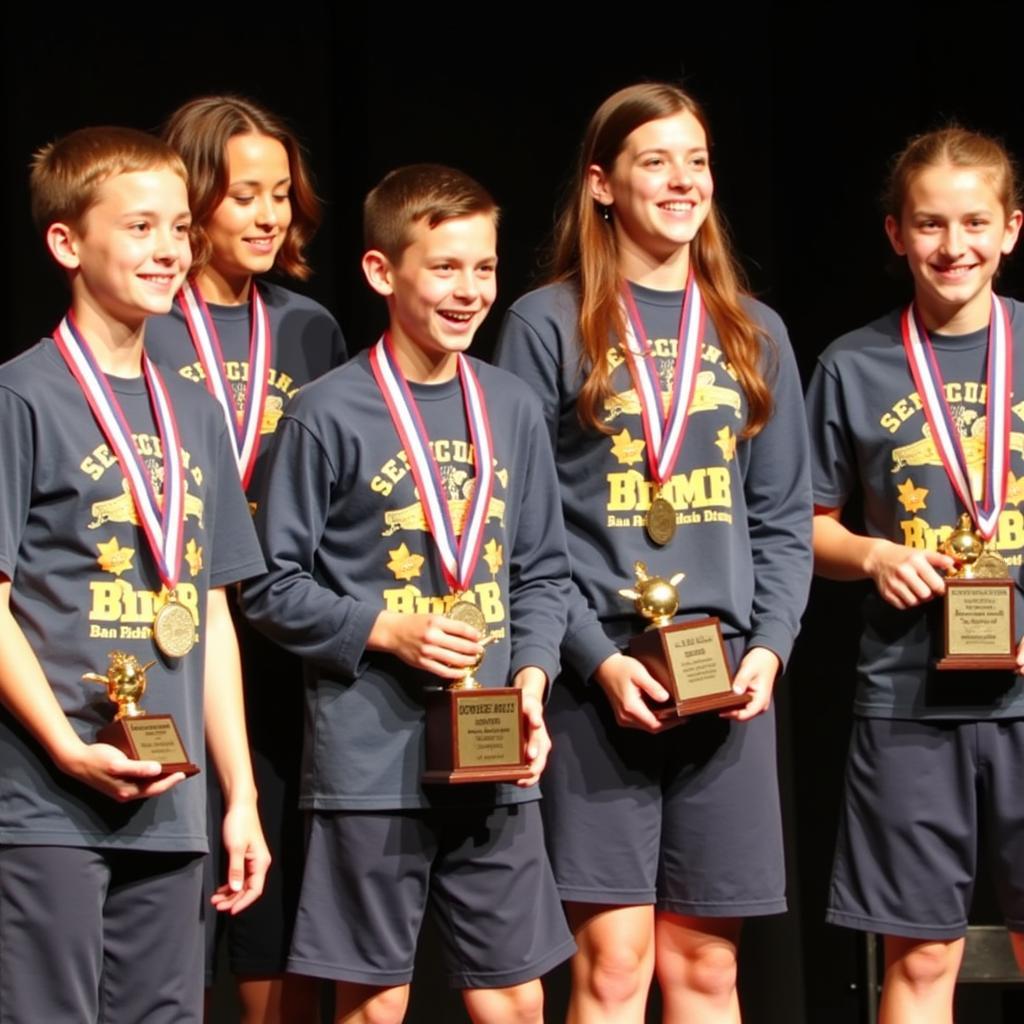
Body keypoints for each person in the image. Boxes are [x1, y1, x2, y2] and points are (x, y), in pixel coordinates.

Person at [495, 83, 811, 1023]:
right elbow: (520, 527)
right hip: (602, 686)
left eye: (697, 161)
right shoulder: (545, 324)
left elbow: (783, 520)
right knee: (617, 965)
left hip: (727, 678)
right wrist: (593, 661)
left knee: (709, 970)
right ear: (602, 184)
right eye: (655, 162)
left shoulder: (755, 330)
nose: (682, 182)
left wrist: (770, 648)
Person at [240, 164, 575, 1024]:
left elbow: (541, 571)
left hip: (497, 755)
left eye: (485, 268)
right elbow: (268, 586)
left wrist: (532, 680)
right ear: (383, 273)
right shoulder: (325, 412)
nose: (470, 292)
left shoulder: (513, 407)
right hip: (369, 765)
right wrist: (387, 629)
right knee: (374, 1003)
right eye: (445, 268)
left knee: (514, 1001)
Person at [0, 126, 269, 1023]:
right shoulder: (21, 397)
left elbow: (214, 614)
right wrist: (67, 746)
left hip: (172, 798)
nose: (170, 250)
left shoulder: (194, 408)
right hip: (47, 798)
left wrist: (239, 795)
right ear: (67, 243)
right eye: (141, 226)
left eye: (182, 228)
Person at [807, 126, 1024, 1022]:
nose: (953, 246)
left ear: (1011, 228)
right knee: (922, 955)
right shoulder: (853, 365)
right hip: (908, 700)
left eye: (975, 222)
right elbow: (803, 526)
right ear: (896, 234)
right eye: (930, 224)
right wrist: (875, 555)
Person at [145, 94, 346, 1024]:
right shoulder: (144, 318)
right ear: (193, 204)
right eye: (243, 198)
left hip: (282, 650)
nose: (268, 217)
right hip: (166, 642)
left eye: (280, 196)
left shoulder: (310, 329)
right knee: (173, 902)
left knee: (277, 904)